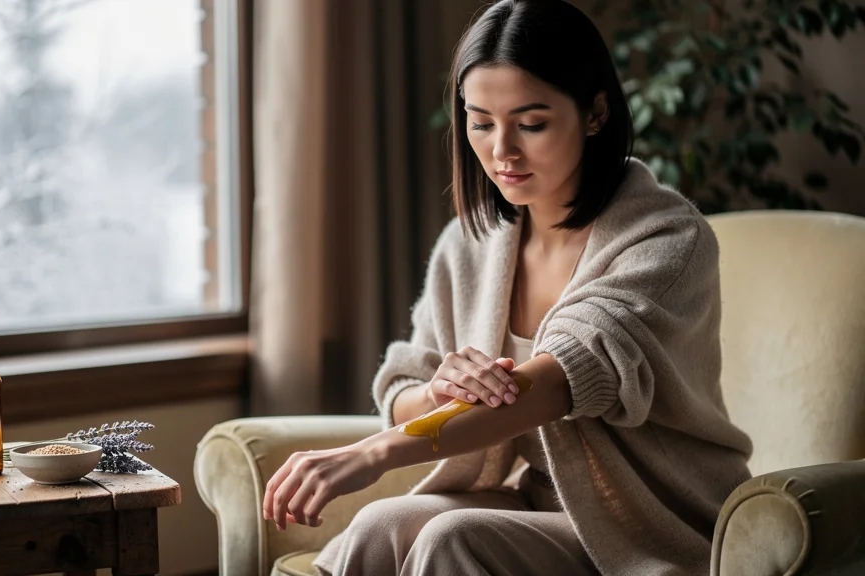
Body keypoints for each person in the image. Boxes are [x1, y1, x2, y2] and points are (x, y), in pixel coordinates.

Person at [262, 0, 754, 574]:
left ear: (595, 113)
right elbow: (403, 384)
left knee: (453, 537)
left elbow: (554, 385)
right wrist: (442, 399)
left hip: (654, 522)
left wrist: (372, 453)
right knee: (379, 524)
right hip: (540, 505)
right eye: (481, 121)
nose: (502, 151)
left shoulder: (667, 240)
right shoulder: (469, 244)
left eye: (532, 123)